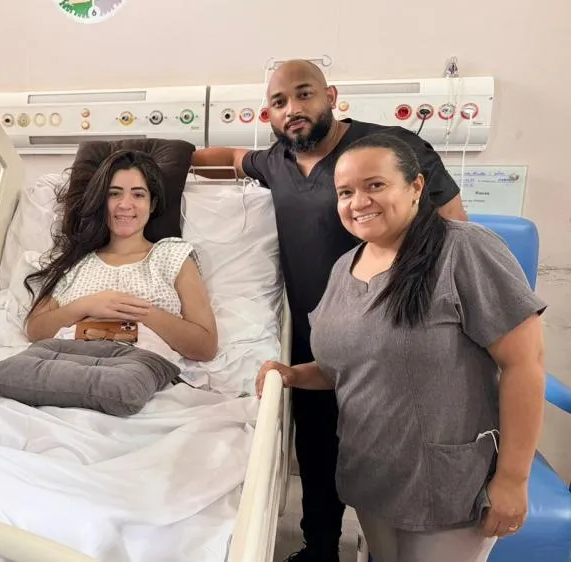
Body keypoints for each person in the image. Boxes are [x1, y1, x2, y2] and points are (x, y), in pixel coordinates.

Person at [193, 59, 468, 561]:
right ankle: (320, 548)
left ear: (331, 96)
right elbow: (228, 158)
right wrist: (153, 158)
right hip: (315, 331)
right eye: (279, 102)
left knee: (391, 445)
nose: (293, 109)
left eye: (304, 94)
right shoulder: (276, 161)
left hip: (394, 328)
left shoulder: (390, 147)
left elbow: (455, 229)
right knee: (318, 447)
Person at [255, 133, 545, 562]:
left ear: (416, 187)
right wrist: (293, 374)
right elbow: (346, 367)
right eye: (345, 192)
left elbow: (525, 364)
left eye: (375, 185)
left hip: (448, 487)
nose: (359, 202)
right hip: (373, 478)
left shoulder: (464, 250)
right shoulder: (345, 268)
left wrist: (513, 480)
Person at [24, 149, 218, 363]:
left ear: (152, 204)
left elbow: (205, 347)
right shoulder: (76, 262)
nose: (125, 204)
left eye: (138, 194)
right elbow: (35, 330)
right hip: (69, 362)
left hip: (137, 366)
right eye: (114, 194)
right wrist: (86, 306)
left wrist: (141, 313)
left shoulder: (173, 256)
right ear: (101, 201)